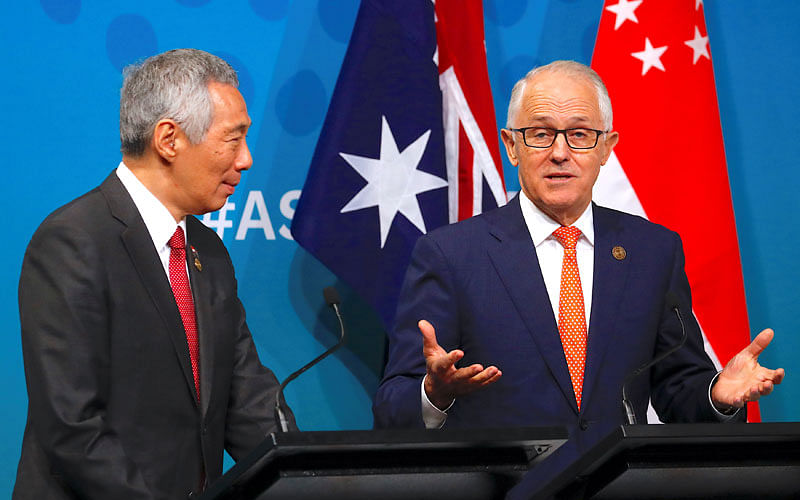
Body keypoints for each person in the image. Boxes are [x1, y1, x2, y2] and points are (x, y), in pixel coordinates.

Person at [372, 60, 783, 478]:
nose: (560, 152)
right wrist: (433, 394)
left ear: (606, 147)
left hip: (618, 487)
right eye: (540, 133)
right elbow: (392, 405)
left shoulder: (653, 251)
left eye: (581, 134)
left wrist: (718, 395)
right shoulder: (450, 254)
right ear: (511, 145)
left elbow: (678, 389)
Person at [14, 49, 295, 499]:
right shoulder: (72, 242)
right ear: (169, 139)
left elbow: (248, 402)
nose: (246, 159)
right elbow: (72, 426)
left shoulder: (207, 250)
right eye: (233, 138)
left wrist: (302, 474)